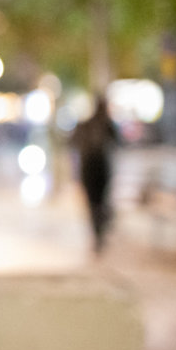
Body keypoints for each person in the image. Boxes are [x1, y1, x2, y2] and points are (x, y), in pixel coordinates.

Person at [71, 96, 118, 253]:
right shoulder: (106, 124)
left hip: (88, 169)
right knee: (100, 202)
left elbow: (72, 143)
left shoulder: (86, 124)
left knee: (93, 204)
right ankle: (99, 233)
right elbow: (118, 142)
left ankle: (98, 233)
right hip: (100, 168)